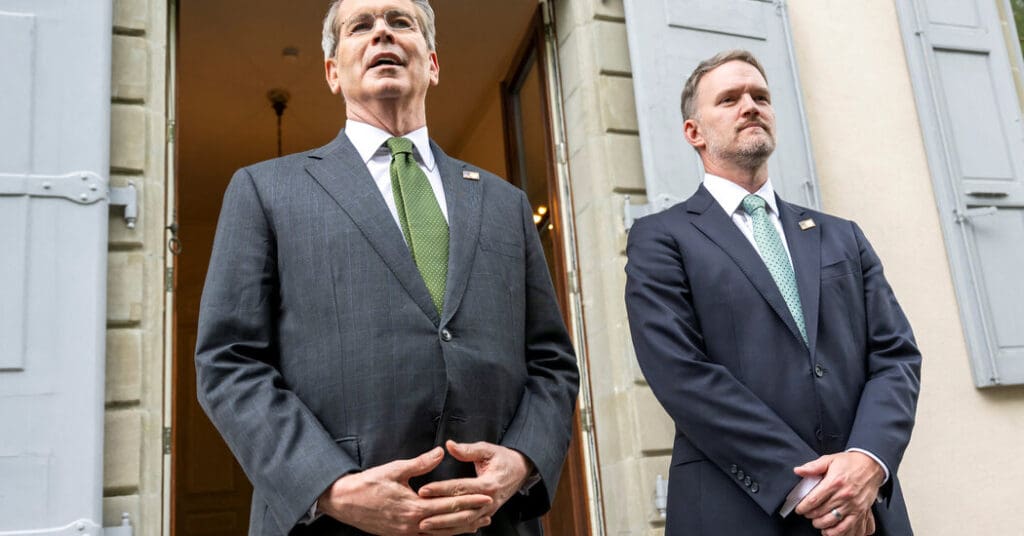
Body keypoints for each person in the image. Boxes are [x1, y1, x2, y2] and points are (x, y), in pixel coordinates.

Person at [194, 1, 579, 534]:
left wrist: (524, 459)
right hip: (332, 524)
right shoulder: (265, 190)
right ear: (333, 72)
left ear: (433, 63)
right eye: (361, 26)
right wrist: (328, 485)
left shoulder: (504, 202)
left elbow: (552, 362)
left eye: (402, 23)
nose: (383, 34)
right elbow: (228, 362)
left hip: (495, 521)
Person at [624, 49, 921, 536]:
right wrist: (813, 489)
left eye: (761, 96)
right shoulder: (661, 238)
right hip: (739, 511)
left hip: (868, 511)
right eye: (730, 99)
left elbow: (895, 356)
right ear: (694, 133)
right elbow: (681, 374)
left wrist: (869, 460)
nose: (751, 105)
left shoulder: (841, 236)